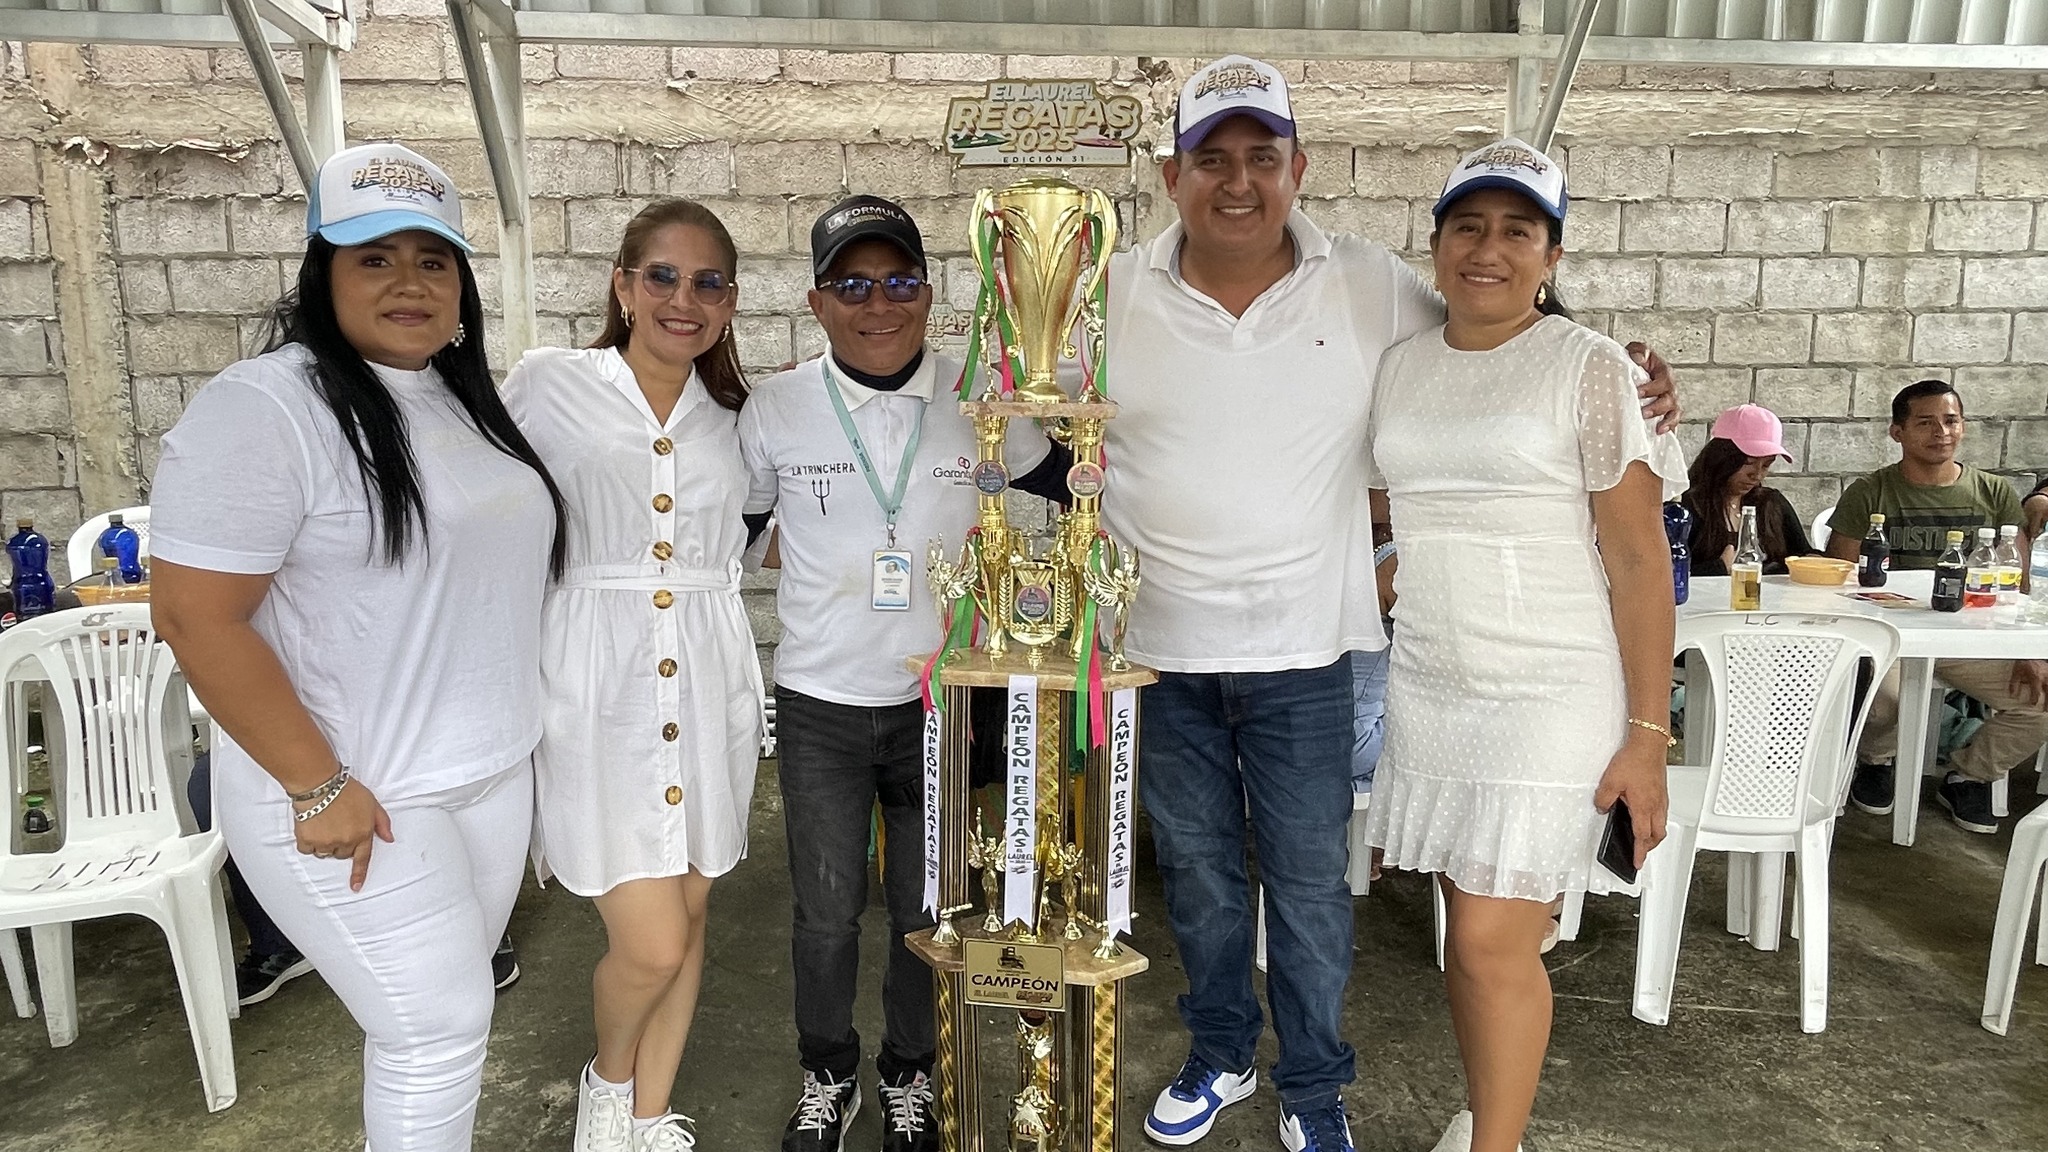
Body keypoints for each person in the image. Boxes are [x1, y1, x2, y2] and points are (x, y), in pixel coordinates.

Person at [1104, 58, 1679, 1152]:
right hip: (1181, 649)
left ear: (1299, 168)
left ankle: (1316, 1088)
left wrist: (1630, 370)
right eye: (1212, 158)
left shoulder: (1370, 285)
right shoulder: (1113, 293)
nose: (1239, 181)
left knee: (1319, 891)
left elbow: (1523, 357)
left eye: (1263, 156)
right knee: (1204, 881)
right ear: (1171, 174)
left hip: (1334, 656)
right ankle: (1223, 1053)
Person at [148, 142, 566, 1152]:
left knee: (452, 1020)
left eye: (433, 259)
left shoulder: (459, 396)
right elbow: (197, 617)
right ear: (321, 272)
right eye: (373, 257)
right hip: (355, 796)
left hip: (484, 779)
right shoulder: (266, 406)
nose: (408, 282)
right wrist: (315, 785)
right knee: (435, 1032)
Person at [739, 196, 1063, 1152]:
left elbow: (1073, 486)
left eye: (899, 281)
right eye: (852, 285)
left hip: (944, 702)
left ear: (930, 292)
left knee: (929, 911)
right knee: (826, 912)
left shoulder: (980, 399)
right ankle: (828, 1073)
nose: (878, 304)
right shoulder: (777, 409)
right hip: (820, 703)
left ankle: (910, 1075)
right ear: (816, 302)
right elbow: (735, 529)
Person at [500, 199, 762, 1152]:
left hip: (708, 680)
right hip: (598, 684)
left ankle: (649, 1116)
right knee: (649, 942)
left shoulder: (736, 419)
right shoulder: (549, 384)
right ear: (623, 285)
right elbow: (481, 504)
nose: (683, 300)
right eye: (663, 276)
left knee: (689, 914)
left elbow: (762, 534)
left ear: (730, 302)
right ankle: (606, 1089)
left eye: (707, 283)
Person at [1826, 380, 2048, 834]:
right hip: (1889, 637)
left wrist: (2027, 649)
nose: (1941, 432)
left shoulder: (1993, 492)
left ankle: (1969, 774)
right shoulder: (1870, 493)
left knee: (2041, 698)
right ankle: (1875, 760)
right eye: (1925, 422)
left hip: (1969, 637)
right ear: (1898, 432)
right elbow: (1838, 577)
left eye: (1951, 421)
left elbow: (2017, 583)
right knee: (1883, 703)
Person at [1682, 404, 1813, 576]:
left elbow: (1803, 554)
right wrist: (1718, 567)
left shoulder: (1772, 504)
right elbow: (1663, 572)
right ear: (1721, 456)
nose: (1757, 475)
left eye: (1766, 465)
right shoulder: (1687, 507)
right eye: (1748, 462)